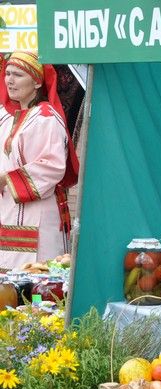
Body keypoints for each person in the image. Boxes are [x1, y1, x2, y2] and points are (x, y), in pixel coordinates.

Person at [0, 51, 78, 272]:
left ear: (36, 81)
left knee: (36, 279)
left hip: (38, 212)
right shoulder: (3, 117)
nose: (10, 80)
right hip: (7, 209)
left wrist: (7, 179)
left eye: (18, 75)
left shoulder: (47, 117)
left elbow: (52, 166)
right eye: (7, 74)